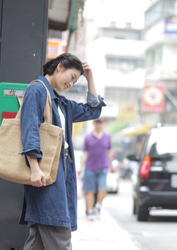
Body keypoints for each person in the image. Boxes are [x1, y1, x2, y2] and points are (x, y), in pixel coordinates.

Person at [19, 53, 106, 249]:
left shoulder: (60, 102)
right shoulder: (37, 90)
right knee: (58, 231)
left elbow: (93, 110)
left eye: (76, 81)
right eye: (72, 77)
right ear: (59, 67)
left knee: (38, 240)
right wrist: (34, 167)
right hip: (46, 175)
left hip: (58, 174)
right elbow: (30, 129)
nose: (72, 84)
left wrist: (89, 77)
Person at [79, 118, 114, 220]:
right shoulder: (88, 137)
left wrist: (111, 165)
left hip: (103, 167)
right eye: (97, 123)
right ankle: (90, 211)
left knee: (103, 189)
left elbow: (109, 152)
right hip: (90, 167)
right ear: (94, 124)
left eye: (101, 123)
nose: (99, 125)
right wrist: (81, 167)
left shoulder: (107, 137)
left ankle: (98, 206)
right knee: (89, 191)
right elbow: (85, 153)